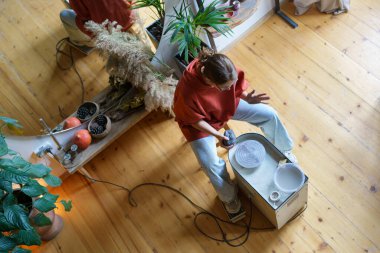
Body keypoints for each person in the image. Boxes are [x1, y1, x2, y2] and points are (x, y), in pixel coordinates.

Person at [173, 48, 296, 219]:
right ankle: (229, 198)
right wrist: (217, 135)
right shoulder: (187, 90)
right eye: (226, 87)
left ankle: (284, 150)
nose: (230, 87)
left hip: (225, 106)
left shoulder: (222, 67)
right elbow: (195, 121)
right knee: (210, 164)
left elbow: (235, 89)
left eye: (231, 84)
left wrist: (247, 98)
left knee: (269, 114)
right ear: (210, 82)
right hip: (200, 124)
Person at [60, 0, 135, 47]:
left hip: (108, 33)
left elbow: (85, 19)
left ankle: (87, 42)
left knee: (64, 14)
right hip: (130, 19)